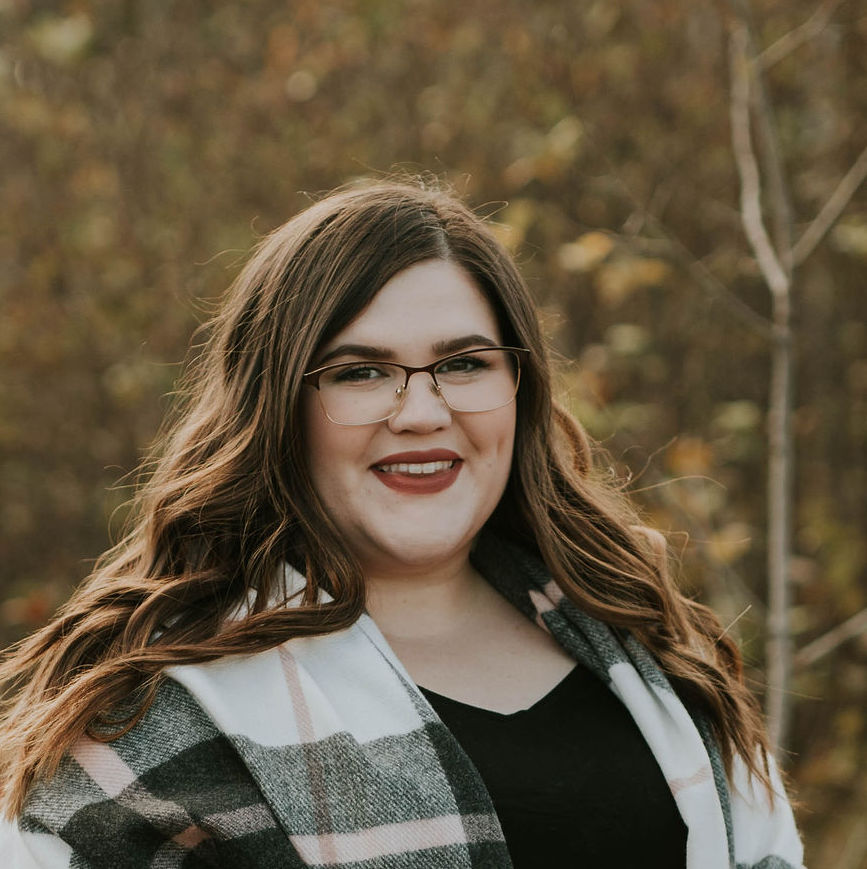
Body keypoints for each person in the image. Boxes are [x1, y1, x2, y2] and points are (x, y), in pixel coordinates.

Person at [0, 180, 803, 868]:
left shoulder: (651, 653)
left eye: (462, 363)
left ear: (519, 390)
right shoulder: (152, 712)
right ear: (277, 408)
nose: (422, 411)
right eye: (361, 372)